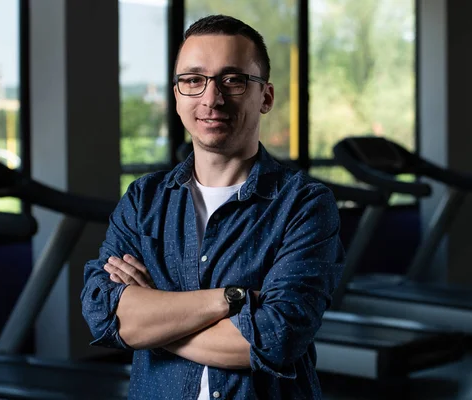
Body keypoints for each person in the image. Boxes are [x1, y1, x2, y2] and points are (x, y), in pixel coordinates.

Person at [81, 14, 344, 400]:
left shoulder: (304, 205)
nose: (211, 98)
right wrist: (231, 299)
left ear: (265, 97)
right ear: (176, 96)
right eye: (193, 80)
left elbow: (275, 339)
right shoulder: (142, 201)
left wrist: (153, 323)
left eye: (233, 80)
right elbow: (104, 314)